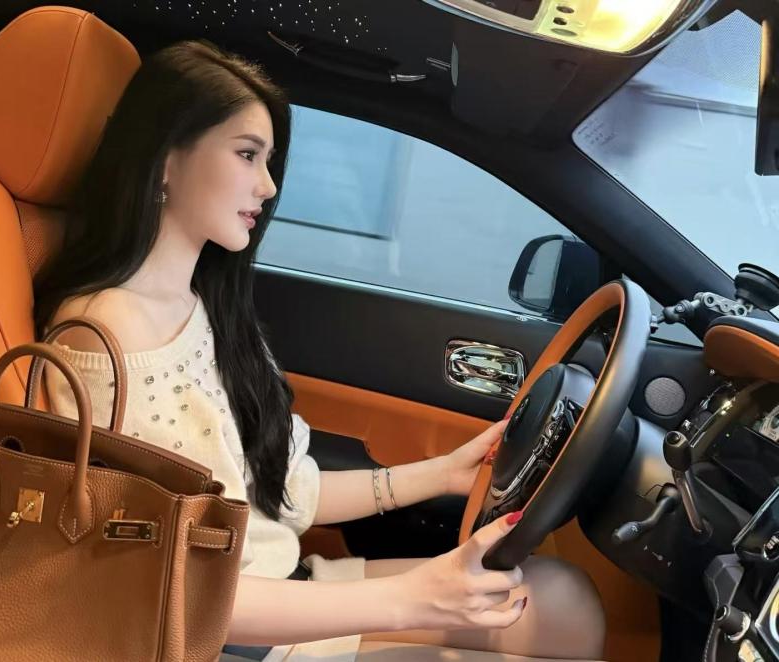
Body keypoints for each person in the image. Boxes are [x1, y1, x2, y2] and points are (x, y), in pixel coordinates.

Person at [33, 40, 605, 660]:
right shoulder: (108, 332)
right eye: (247, 154)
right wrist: (414, 599)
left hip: (283, 588)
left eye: (269, 160)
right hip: (222, 636)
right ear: (165, 158)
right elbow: (178, 589)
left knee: (564, 602)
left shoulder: (204, 305)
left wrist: (444, 473)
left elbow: (286, 491)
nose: (268, 185)